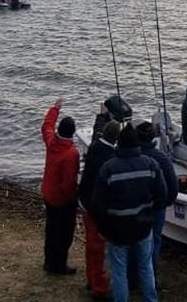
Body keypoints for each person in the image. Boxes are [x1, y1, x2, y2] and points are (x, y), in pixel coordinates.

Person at [92, 123, 167, 302]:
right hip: (143, 228)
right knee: (145, 266)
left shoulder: (108, 168)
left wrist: (103, 228)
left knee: (119, 270)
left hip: (117, 230)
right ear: (137, 145)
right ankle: (150, 299)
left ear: (119, 144)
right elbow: (162, 196)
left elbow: (98, 203)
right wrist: (150, 215)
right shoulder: (151, 164)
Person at [78, 119, 120, 299]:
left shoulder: (95, 146)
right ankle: (100, 288)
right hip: (96, 208)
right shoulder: (110, 158)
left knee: (91, 247)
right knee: (99, 249)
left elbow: (97, 133)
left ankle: (91, 279)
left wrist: (102, 116)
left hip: (85, 201)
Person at [136, 121, 179, 289]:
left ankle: (135, 277)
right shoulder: (161, 158)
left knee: (136, 241)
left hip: (138, 208)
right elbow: (173, 187)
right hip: (157, 208)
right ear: (152, 137)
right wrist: (164, 203)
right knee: (154, 240)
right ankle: (151, 277)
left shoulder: (133, 156)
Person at [41, 98, 80, 276]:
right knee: (64, 235)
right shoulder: (71, 153)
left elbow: (47, 126)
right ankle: (58, 265)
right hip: (62, 199)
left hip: (48, 193)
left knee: (51, 230)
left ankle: (49, 262)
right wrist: (74, 199)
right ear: (72, 133)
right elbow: (68, 183)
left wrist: (55, 108)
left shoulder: (51, 142)